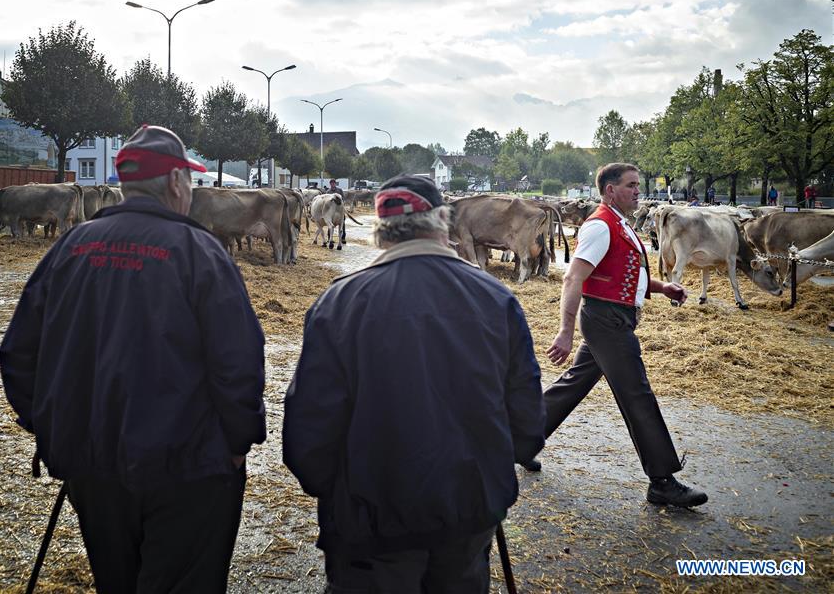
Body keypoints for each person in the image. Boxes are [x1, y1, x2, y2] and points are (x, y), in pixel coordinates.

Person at [0, 125, 267, 592]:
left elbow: (19, 354)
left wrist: (52, 426)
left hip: (94, 467)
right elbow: (238, 363)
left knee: (117, 581)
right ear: (177, 184)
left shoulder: (69, 248)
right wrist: (239, 440)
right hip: (188, 467)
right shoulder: (199, 252)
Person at [284, 175, 545, 592]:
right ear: (443, 222)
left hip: (372, 519)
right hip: (467, 512)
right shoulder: (495, 299)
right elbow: (527, 417)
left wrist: (335, 493)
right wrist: (491, 476)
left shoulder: (340, 302)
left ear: (380, 232)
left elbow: (309, 424)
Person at [521, 163, 707, 508]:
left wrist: (663, 287)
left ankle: (518, 442)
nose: (638, 190)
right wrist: (565, 331)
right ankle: (662, 480)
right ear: (610, 190)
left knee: (573, 384)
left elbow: (623, 273)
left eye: (638, 184)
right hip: (606, 321)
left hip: (613, 319)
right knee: (637, 393)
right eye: (631, 185)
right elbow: (574, 278)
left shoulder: (620, 224)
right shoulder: (600, 226)